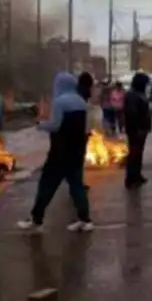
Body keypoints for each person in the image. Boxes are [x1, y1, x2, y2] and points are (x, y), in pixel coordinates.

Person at [17, 72, 93, 232]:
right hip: (77, 150)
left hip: (60, 151)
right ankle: (85, 219)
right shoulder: (81, 101)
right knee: (77, 185)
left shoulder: (60, 102)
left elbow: (55, 125)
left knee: (46, 184)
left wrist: (40, 124)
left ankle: (36, 219)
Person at [124, 72, 152, 189]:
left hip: (141, 129)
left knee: (138, 152)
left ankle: (137, 175)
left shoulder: (139, 94)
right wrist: (138, 128)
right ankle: (130, 178)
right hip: (135, 130)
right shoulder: (132, 95)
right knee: (134, 153)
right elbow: (132, 113)